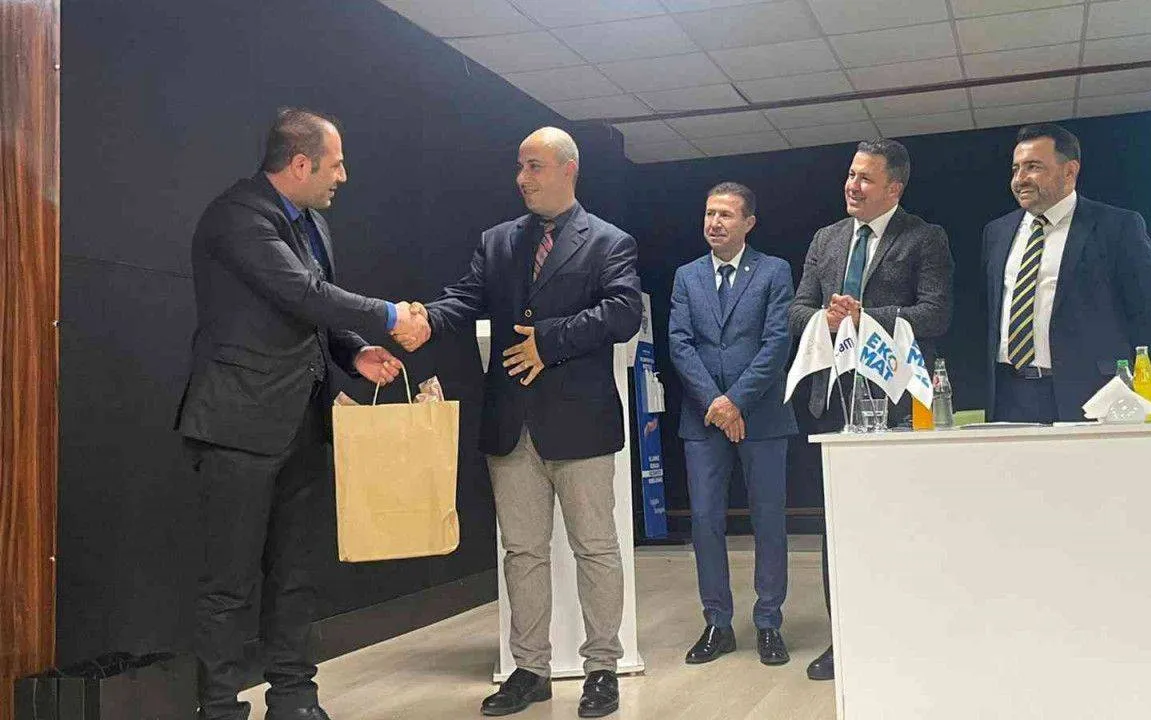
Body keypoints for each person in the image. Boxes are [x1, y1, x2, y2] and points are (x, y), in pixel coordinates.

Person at [175, 108, 428, 720]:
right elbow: (302, 292)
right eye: (335, 164)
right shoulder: (239, 216)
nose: (343, 175)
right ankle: (220, 707)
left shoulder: (313, 225)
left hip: (301, 421)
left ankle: (294, 698)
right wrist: (390, 316)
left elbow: (314, 315)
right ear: (299, 164)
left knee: (295, 575)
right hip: (237, 424)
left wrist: (355, 352)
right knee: (229, 582)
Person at [418, 127, 642, 718]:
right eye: (520, 166)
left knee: (596, 549)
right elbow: (463, 299)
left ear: (569, 169)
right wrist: (421, 320)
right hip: (511, 424)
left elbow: (623, 313)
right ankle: (530, 670)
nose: (522, 178)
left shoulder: (610, 242)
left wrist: (550, 340)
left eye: (535, 166)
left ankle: (602, 669)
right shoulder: (497, 242)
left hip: (581, 426)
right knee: (522, 553)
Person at [787, 138, 953, 680]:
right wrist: (828, 320)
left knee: (902, 522)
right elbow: (796, 311)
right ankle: (844, 639)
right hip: (833, 401)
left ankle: (908, 637)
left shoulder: (924, 237)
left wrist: (866, 317)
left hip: (899, 404)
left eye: (865, 179)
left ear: (894, 188)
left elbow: (935, 315)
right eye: (850, 175)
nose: (852, 186)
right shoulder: (826, 239)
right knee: (838, 527)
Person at [668, 182, 797, 669]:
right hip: (704, 419)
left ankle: (768, 622)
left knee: (769, 520)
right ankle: (717, 623)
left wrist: (736, 401)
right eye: (709, 214)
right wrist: (717, 404)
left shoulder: (774, 271)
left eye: (725, 215)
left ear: (749, 223)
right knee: (705, 521)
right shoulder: (686, 276)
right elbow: (680, 344)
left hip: (761, 415)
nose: (715, 223)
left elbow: (776, 343)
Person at [982, 123, 1151, 423]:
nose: (1020, 179)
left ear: (1070, 171)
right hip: (1010, 394)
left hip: (1091, 393)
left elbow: (1150, 315)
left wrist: (1106, 364)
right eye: (1016, 168)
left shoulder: (1117, 227)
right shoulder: (997, 232)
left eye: (1033, 167)